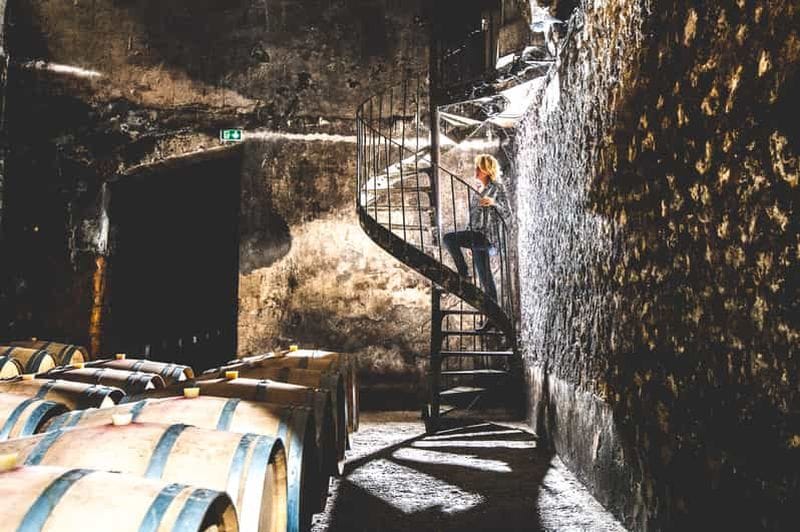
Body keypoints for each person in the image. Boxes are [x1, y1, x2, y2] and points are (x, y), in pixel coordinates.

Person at [443, 154, 512, 323]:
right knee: (485, 279)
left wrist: (494, 203)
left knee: (448, 239)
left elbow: (508, 213)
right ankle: (494, 319)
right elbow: (473, 218)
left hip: (487, 236)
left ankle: (464, 274)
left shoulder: (497, 188)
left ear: (486, 170)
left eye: (478, 168)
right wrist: (470, 244)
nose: (475, 170)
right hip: (477, 237)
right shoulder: (479, 190)